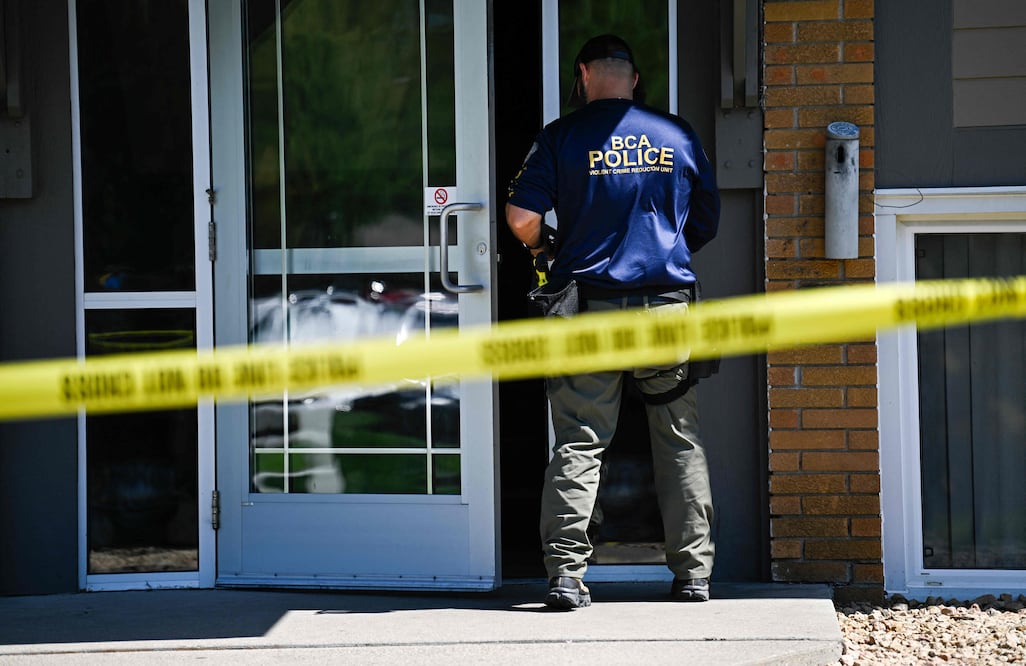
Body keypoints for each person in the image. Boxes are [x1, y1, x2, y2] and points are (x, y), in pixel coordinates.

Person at [505, 34, 721, 610]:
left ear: (583, 74)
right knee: (679, 439)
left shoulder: (561, 136)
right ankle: (693, 575)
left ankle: (567, 577)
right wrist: (663, 252)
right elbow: (704, 222)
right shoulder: (675, 134)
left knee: (580, 441)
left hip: (589, 310)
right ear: (633, 75)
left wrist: (549, 246)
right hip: (665, 308)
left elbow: (521, 216)